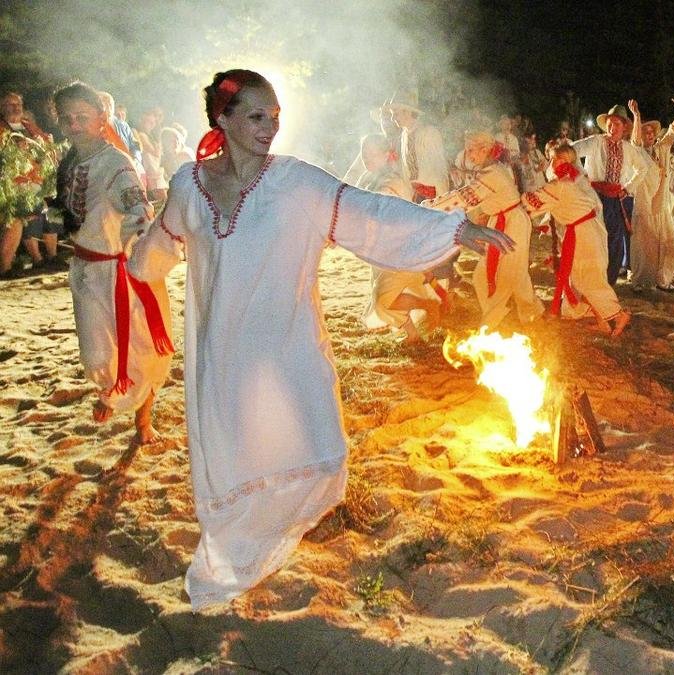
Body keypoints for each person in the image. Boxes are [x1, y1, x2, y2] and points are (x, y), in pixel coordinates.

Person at [128, 69, 513, 609]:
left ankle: (282, 529)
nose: (270, 128)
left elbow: (367, 211)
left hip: (285, 342)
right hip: (222, 351)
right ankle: (237, 545)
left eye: (276, 117)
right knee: (234, 447)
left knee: (304, 440)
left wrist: (452, 229)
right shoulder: (188, 185)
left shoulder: (295, 182)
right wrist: (132, 267)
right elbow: (160, 245)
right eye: (256, 116)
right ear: (222, 118)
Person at [51, 82, 172, 443]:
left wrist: (139, 250)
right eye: (67, 119)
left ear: (101, 117)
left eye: (82, 116)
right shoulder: (71, 160)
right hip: (86, 270)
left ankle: (142, 421)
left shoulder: (116, 163)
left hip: (120, 271)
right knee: (96, 352)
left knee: (141, 347)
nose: (74, 124)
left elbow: (140, 211)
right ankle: (112, 389)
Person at [425, 131, 542, 327]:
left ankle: (491, 323)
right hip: (503, 221)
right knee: (508, 272)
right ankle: (531, 312)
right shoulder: (491, 168)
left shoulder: (492, 174)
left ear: (485, 149)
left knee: (503, 274)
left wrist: (428, 208)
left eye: (471, 150)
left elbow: (463, 199)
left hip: (512, 223)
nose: (468, 154)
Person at [521, 142, 630, 335]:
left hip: (583, 235)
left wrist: (511, 200)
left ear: (562, 161)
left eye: (553, 159)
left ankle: (618, 315)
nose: (551, 163)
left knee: (589, 279)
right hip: (585, 231)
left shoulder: (561, 185)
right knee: (582, 277)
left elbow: (530, 202)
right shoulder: (571, 181)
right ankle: (603, 320)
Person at [356, 133, 448, 342]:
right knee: (390, 293)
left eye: (372, 153)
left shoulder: (392, 182)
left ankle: (428, 308)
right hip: (385, 252)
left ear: (385, 155)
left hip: (398, 251)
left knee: (384, 301)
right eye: (363, 152)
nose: (366, 158)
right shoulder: (369, 178)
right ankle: (419, 324)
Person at [572, 104, 651, 285]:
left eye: (616, 124)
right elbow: (572, 150)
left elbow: (642, 168)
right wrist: (582, 176)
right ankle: (591, 279)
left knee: (614, 241)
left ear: (624, 127)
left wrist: (627, 188)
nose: (612, 127)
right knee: (593, 238)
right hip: (594, 198)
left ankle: (609, 282)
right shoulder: (595, 141)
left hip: (615, 200)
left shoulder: (628, 148)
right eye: (610, 123)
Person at [628, 90, 674, 290]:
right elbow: (635, 141)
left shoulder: (662, 148)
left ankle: (662, 280)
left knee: (667, 242)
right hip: (644, 205)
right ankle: (640, 281)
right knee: (644, 245)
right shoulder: (637, 152)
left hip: (662, 205)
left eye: (652, 131)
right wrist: (637, 117)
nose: (650, 134)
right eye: (646, 131)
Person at [1, 92, 60, 275]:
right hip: (13, 184)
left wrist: (48, 144)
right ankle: (8, 266)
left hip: (36, 181)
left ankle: (51, 256)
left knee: (50, 211)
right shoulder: (1, 128)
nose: (15, 108)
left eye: (18, 104)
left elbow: (45, 143)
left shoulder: (29, 125)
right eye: (10, 104)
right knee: (17, 219)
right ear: (2, 107)